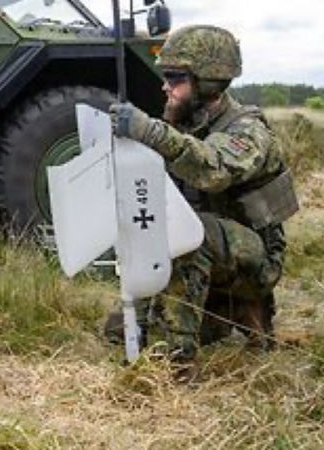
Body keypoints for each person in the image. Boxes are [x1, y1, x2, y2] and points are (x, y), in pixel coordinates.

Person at [108, 24, 298, 372]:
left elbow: (214, 168)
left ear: (208, 82)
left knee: (191, 233)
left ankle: (176, 366)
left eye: (175, 78)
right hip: (203, 251)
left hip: (253, 261)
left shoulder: (247, 130)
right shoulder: (185, 125)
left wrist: (149, 131)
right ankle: (221, 315)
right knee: (119, 330)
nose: (165, 87)